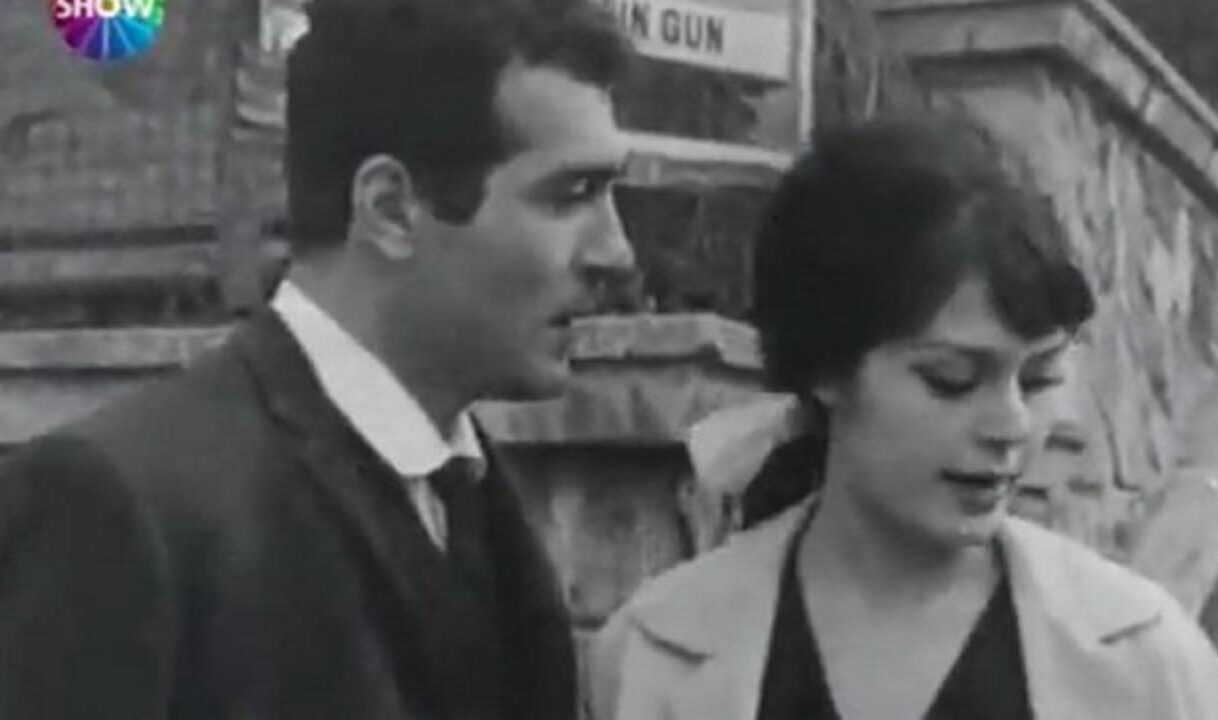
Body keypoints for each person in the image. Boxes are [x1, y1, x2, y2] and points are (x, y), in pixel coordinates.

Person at [0, 1, 636, 718]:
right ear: (390, 209)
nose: (617, 253)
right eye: (570, 196)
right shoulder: (117, 508)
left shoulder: (478, 511)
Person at [589, 114, 1218, 720]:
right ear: (827, 367)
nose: (1011, 426)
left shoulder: (1151, 663)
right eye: (952, 380)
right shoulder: (650, 655)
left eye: (1038, 380)